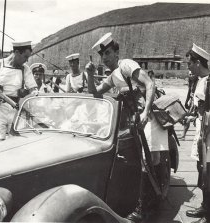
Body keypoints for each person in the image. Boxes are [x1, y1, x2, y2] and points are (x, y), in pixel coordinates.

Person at [86, 32, 169, 222]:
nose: (105, 58)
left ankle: (144, 209)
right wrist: (90, 75)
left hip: (150, 118)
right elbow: (96, 93)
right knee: (147, 162)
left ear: (116, 52)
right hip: (137, 121)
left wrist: (146, 112)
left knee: (149, 162)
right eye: (102, 55)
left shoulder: (126, 65)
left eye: (108, 53)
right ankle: (152, 203)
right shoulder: (114, 76)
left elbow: (150, 84)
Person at [185, 44, 210, 223]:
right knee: (202, 170)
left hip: (209, 134)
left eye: (190, 63)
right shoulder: (202, 80)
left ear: (198, 62)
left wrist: (204, 133)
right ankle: (205, 206)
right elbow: (202, 108)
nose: (188, 67)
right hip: (202, 130)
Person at [179, 70, 199, 140]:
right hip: (192, 103)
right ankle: (183, 135)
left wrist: (194, 96)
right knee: (187, 118)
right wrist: (186, 101)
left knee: (190, 118)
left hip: (197, 103)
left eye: (192, 74)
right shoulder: (191, 82)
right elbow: (189, 92)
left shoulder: (199, 82)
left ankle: (183, 135)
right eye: (190, 74)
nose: (191, 76)